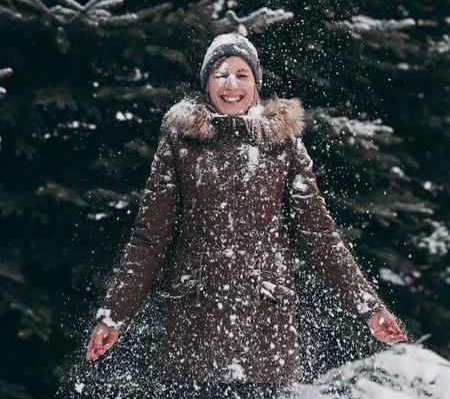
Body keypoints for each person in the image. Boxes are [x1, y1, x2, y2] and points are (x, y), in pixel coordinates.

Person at [86, 33, 407, 398]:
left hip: (266, 334)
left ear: (256, 82)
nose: (231, 84)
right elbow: (149, 238)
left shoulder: (283, 143)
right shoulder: (179, 141)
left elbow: (320, 236)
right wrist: (113, 315)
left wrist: (369, 309)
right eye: (221, 74)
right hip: (194, 335)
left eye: (241, 74)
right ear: (207, 83)